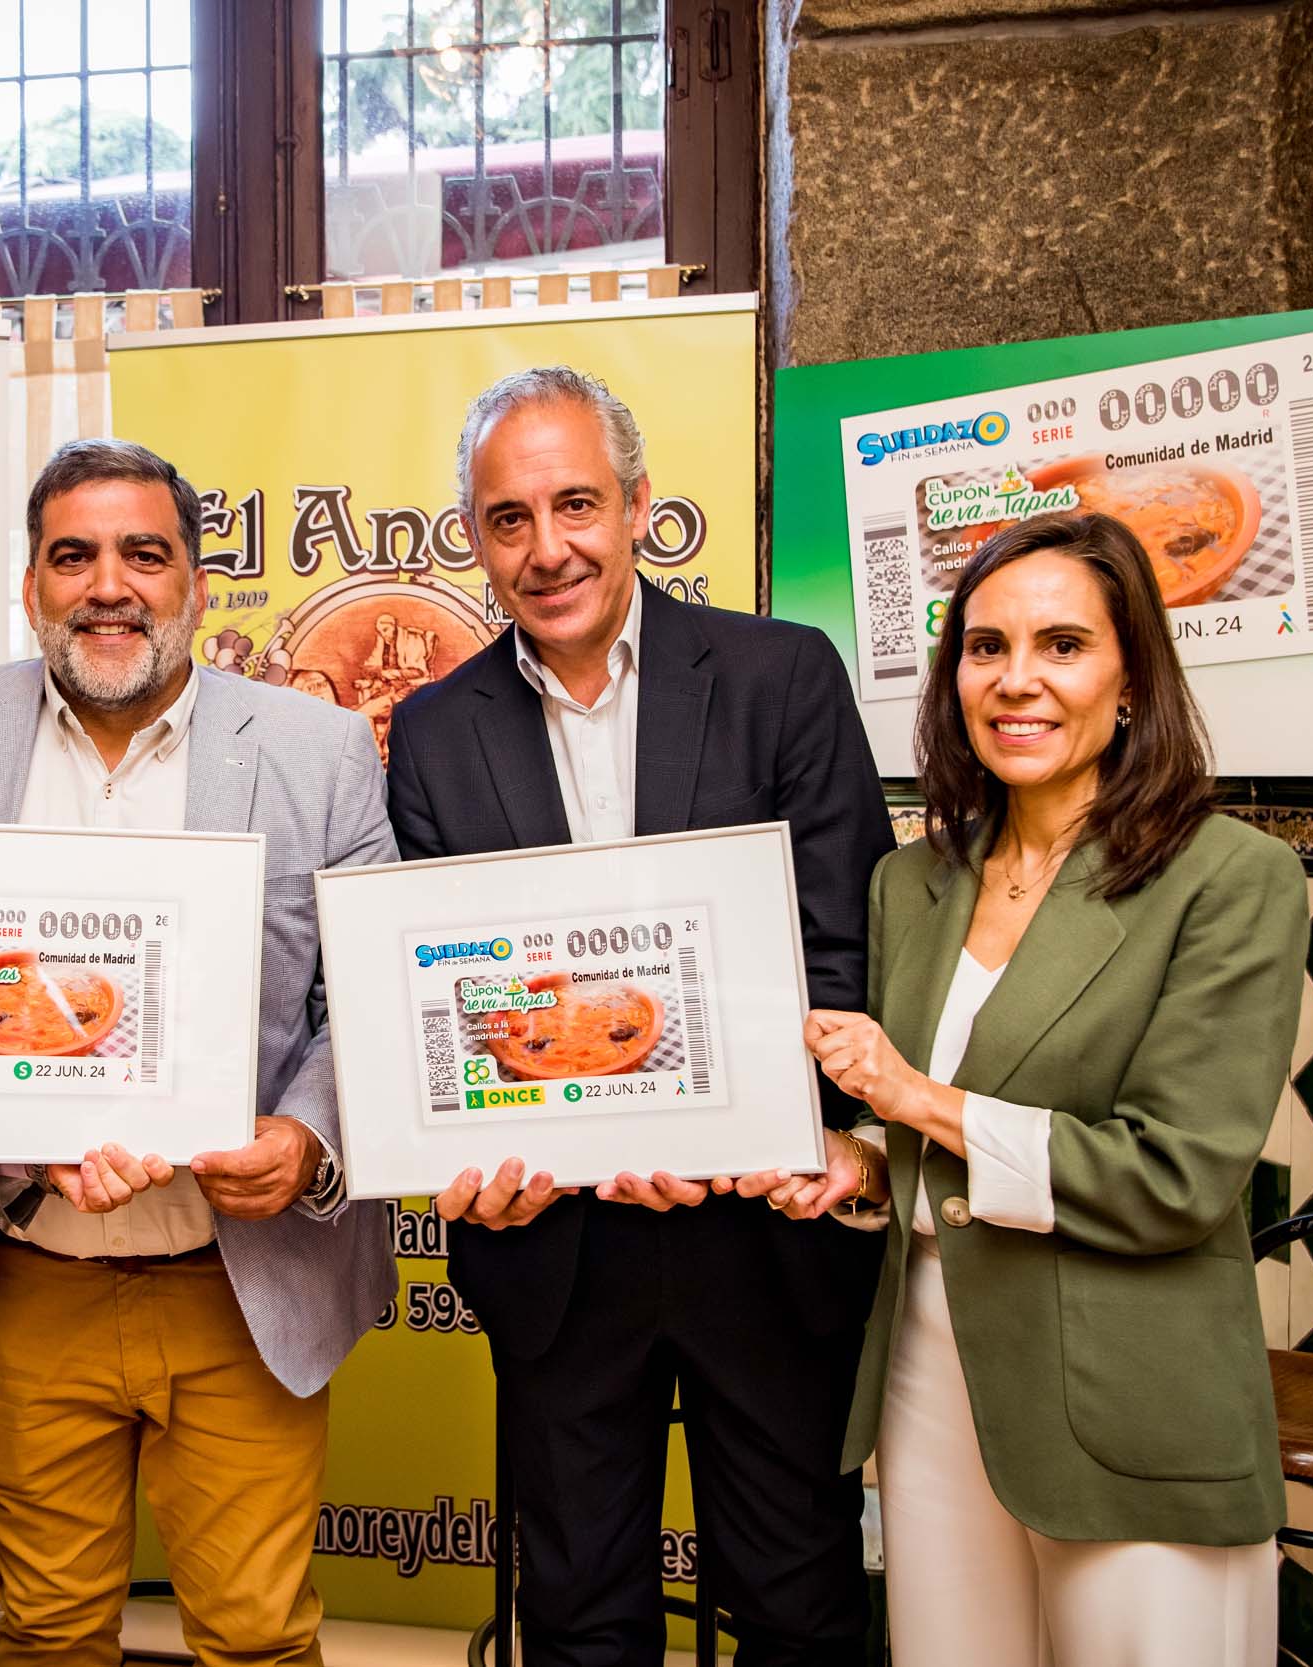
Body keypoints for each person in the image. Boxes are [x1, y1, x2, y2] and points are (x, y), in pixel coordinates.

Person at [384, 366, 893, 1666]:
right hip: (556, 1252)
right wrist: (463, 1155)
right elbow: (447, 1003)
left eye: (576, 505)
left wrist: (756, 1126)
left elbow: (843, 946)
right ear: (474, 535)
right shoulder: (436, 733)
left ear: (639, 505)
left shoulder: (781, 676)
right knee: (578, 1619)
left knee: (797, 1602)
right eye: (509, 519)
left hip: (764, 1236)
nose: (547, 548)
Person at [0, 438, 397, 1667]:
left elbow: (361, 994)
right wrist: (0, 1126)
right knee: (46, 1632)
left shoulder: (318, 750)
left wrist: (304, 1136)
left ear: (196, 585)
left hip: (239, 1277)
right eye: (74, 556)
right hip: (19, 1268)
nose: (110, 585)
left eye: (143, 554)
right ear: (33, 583)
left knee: (258, 1636)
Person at [748, 510, 1305, 1664]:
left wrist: (908, 1101)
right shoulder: (914, 882)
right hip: (928, 1380)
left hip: (1128, 1398)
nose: (1016, 680)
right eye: (985, 646)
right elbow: (914, 1141)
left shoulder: (1228, 877)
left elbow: (1176, 1176)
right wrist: (851, 1161)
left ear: (1132, 676)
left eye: (1062, 645)